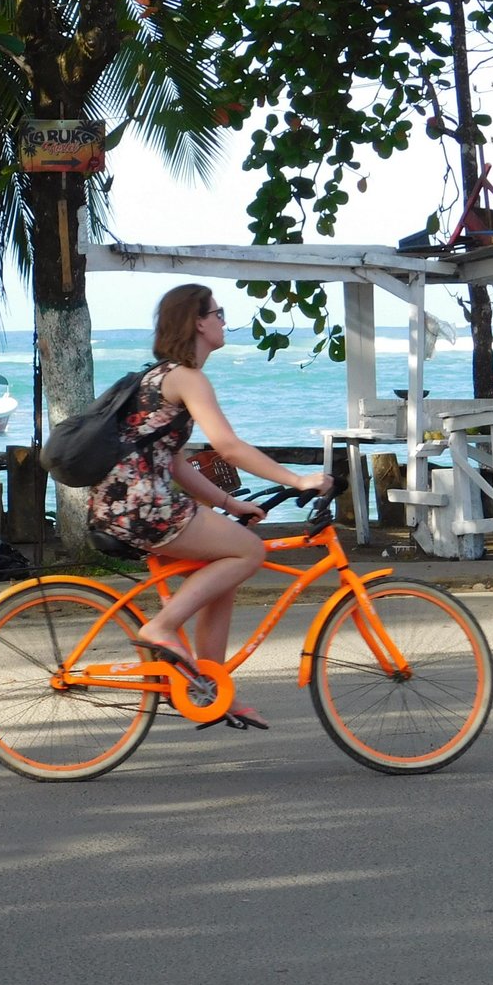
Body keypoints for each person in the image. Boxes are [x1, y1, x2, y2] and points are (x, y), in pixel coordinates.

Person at [88, 284, 333, 728]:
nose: (224, 321)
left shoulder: (159, 376)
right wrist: (298, 479)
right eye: (218, 313)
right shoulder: (187, 377)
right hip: (144, 506)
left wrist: (227, 502)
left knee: (225, 573)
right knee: (249, 551)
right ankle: (161, 628)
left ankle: (209, 684)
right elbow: (228, 447)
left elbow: (175, 462)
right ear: (198, 322)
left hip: (123, 504)